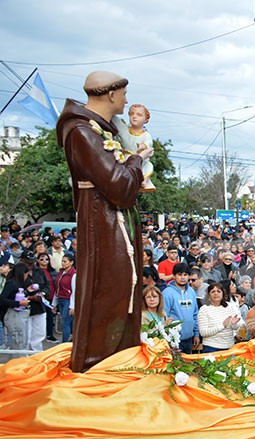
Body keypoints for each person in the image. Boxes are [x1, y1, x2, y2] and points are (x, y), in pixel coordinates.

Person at [56, 70, 152, 372]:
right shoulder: (83, 132)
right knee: (108, 292)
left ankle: (119, 363)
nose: (127, 101)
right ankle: (99, 368)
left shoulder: (103, 130)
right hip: (103, 225)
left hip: (113, 221)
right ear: (111, 94)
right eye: (124, 95)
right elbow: (120, 188)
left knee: (123, 289)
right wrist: (137, 160)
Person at [113, 102, 155, 191]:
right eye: (132, 114)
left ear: (146, 120)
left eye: (139, 115)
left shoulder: (146, 135)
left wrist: (143, 146)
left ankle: (144, 181)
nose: (134, 117)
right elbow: (116, 122)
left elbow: (148, 143)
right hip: (126, 158)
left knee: (149, 166)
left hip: (140, 160)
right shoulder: (125, 130)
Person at [162, 263, 200, 353]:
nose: (183, 277)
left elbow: (195, 314)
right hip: (173, 340)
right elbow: (163, 316)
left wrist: (196, 334)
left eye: (185, 275)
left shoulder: (191, 291)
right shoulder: (167, 293)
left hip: (189, 338)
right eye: (179, 274)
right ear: (174, 276)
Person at [198, 281, 243, 353]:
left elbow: (235, 327)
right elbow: (203, 332)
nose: (216, 293)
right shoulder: (204, 309)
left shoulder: (230, 306)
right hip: (211, 347)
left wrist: (234, 324)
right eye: (213, 291)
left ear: (223, 293)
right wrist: (222, 325)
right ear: (209, 295)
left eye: (218, 291)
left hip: (229, 347)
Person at [52, 254, 76, 343]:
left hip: (68, 300)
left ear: (71, 262)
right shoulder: (61, 273)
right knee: (67, 321)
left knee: (66, 322)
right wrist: (54, 303)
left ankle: (65, 342)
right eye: (62, 261)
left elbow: (74, 291)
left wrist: (72, 306)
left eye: (65, 261)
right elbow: (56, 288)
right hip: (61, 299)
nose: (62, 263)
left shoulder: (74, 275)